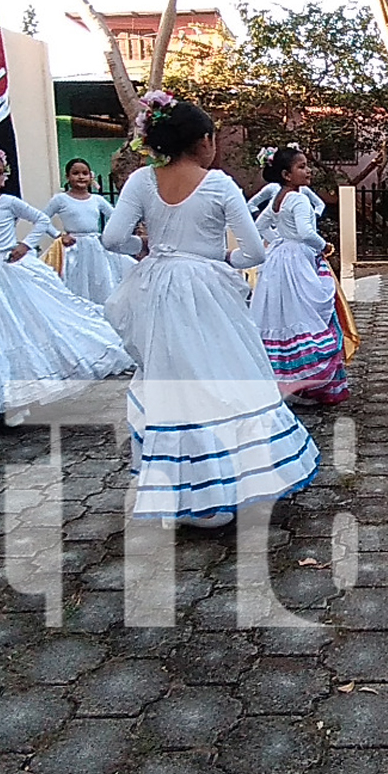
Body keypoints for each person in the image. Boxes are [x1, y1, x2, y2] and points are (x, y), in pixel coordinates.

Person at [102, 93, 319, 528]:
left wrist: (143, 247)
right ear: (203, 141)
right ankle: (234, 483)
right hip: (206, 288)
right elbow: (254, 250)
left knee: (170, 382)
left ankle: (181, 489)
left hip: (157, 286)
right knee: (225, 375)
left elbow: (112, 239)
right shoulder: (219, 184)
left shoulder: (142, 181)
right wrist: (224, 261)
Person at [0, 139, 133, 426]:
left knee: (29, 324)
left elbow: (39, 220)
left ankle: (27, 392)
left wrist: (26, 245)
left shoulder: (9, 203)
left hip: (13, 270)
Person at [250, 146, 349, 405]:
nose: (308, 171)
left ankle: (287, 385)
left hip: (279, 262)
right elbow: (306, 232)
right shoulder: (299, 199)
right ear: (286, 174)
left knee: (281, 317)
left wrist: (279, 242)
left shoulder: (280, 197)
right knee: (306, 313)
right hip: (297, 263)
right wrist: (323, 247)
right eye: (301, 167)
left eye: (307, 165)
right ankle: (304, 382)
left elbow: (260, 225)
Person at [40, 158, 135, 303]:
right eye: (75, 173)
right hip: (73, 247)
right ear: (67, 177)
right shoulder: (60, 199)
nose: (80, 177)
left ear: (91, 176)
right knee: (77, 281)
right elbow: (42, 219)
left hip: (96, 247)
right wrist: (58, 235)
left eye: (84, 173)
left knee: (101, 279)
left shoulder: (97, 200)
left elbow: (117, 217)